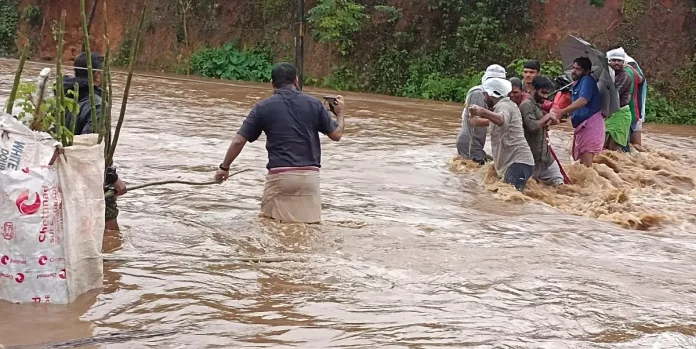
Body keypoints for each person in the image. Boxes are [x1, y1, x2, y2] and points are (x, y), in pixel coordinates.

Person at [213, 63, 346, 224]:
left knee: (269, 225)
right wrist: (340, 114)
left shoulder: (263, 107)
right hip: (310, 177)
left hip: (280, 177)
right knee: (311, 229)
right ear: (296, 81)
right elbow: (336, 134)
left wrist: (224, 167)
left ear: (272, 84)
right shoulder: (314, 104)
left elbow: (239, 140)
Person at [63, 52, 127, 231]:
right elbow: (92, 149)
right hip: (90, 180)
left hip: (64, 176)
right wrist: (113, 178)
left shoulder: (63, 97)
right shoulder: (97, 105)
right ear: (97, 75)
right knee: (110, 235)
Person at [468, 78, 535, 192]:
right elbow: (479, 122)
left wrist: (482, 111)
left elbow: (501, 120)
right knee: (505, 198)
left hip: (518, 162)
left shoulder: (504, 105)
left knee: (509, 198)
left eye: (485, 94)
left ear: (491, 94)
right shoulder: (502, 107)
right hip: (515, 163)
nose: (484, 97)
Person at [555, 57, 604, 167]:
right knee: (581, 165)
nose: (574, 71)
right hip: (582, 124)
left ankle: (589, 184)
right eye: (573, 68)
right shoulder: (577, 82)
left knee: (586, 165)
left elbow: (583, 100)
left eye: (578, 69)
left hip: (590, 125)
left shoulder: (587, 80)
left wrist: (563, 111)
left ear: (586, 71)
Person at [455, 64, 507, 164]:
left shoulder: (492, 94)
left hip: (476, 142)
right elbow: (474, 121)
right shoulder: (478, 93)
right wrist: (500, 120)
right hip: (470, 143)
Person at [519, 76, 565, 186]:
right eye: (543, 93)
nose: (545, 96)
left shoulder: (538, 104)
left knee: (561, 186)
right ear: (534, 89)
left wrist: (550, 121)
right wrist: (547, 116)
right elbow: (532, 126)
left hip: (546, 158)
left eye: (547, 93)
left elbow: (541, 123)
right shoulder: (526, 105)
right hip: (531, 160)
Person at [604, 48, 633, 151]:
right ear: (609, 61)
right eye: (614, 60)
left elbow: (613, 93)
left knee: (614, 149)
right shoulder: (607, 75)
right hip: (609, 114)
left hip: (620, 114)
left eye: (619, 60)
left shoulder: (625, 77)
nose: (616, 63)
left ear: (623, 62)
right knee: (603, 147)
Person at [624, 53, 646, 148]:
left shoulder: (630, 65)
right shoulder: (630, 65)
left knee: (633, 144)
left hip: (633, 111)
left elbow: (641, 80)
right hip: (634, 111)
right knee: (634, 146)